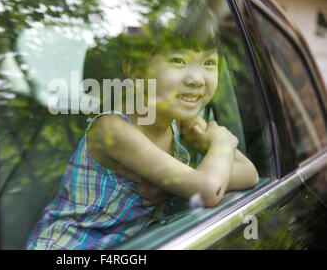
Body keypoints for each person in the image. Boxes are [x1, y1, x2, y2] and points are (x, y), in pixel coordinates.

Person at [25, 39, 259, 250]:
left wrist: (172, 188)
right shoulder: (114, 129)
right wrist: (222, 142)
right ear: (136, 72)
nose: (197, 79)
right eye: (179, 60)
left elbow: (250, 174)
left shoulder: (183, 123)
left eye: (209, 62)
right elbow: (209, 191)